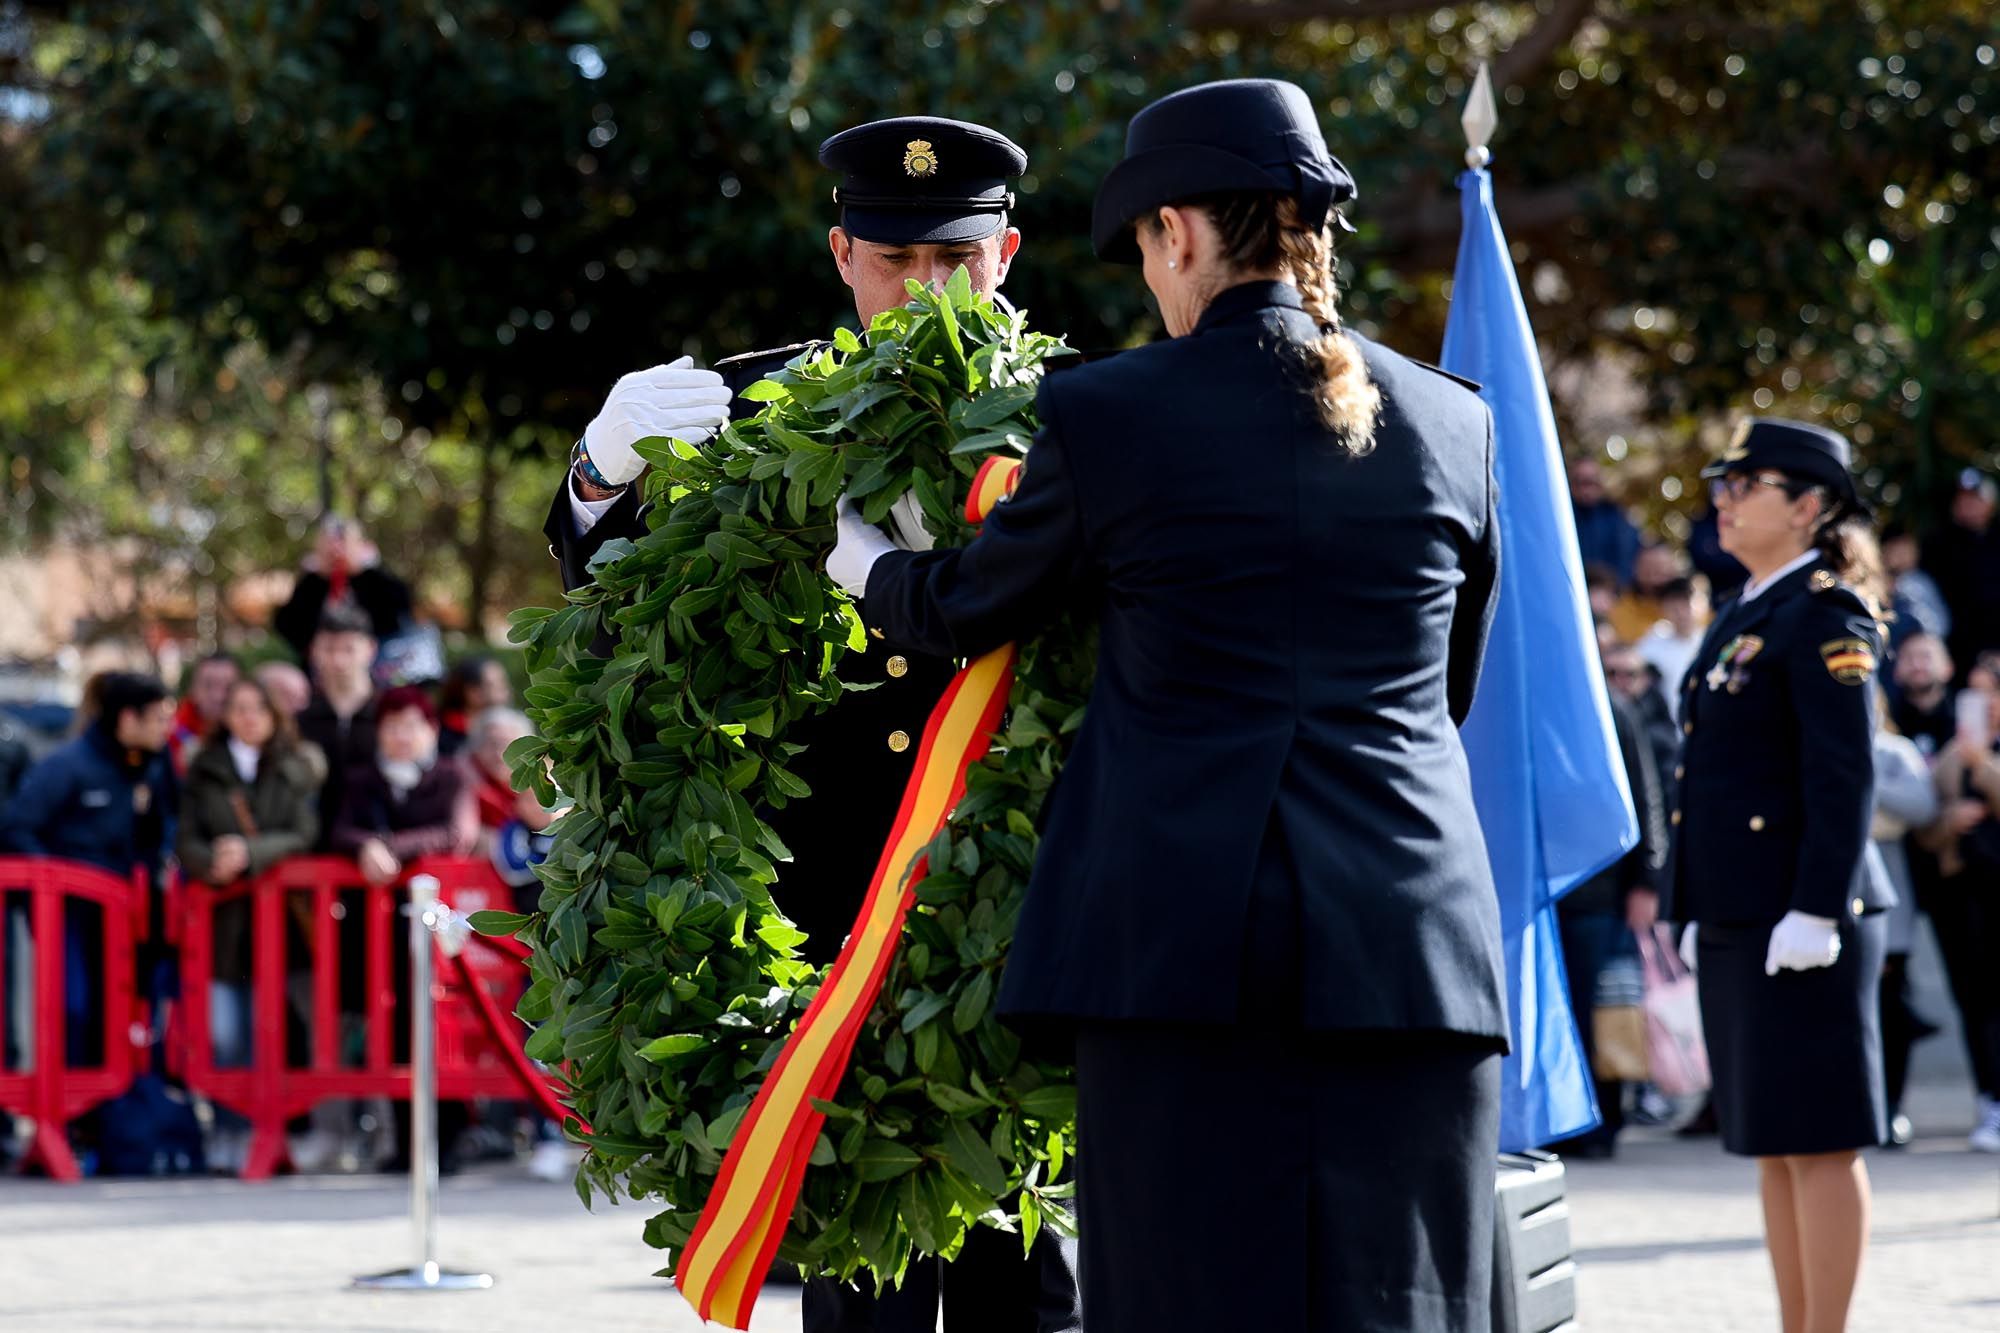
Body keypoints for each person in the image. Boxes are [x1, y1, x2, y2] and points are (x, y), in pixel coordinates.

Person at [835, 78, 1506, 1332]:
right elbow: (1447, 692)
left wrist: (865, 567)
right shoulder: (1454, 423)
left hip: (1181, 967)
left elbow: (979, 601)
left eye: (1144, 245)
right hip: (1409, 956)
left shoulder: (1107, 414)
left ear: (1180, 232)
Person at [544, 115, 1076, 1332]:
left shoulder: (1077, 416)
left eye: (955, 258)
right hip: (829, 881)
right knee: (860, 1273)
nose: (923, 286)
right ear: (843, 253)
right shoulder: (755, 402)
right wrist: (599, 470)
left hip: (1017, 888)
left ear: (1009, 256)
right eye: (896, 259)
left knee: (1035, 1279)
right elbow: (614, 603)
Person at [1665, 417, 1889, 1333]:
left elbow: (1843, 777)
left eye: (1743, 484)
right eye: (1722, 484)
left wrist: (1816, 905)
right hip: (1742, 913)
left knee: (1820, 1143)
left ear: (1807, 506)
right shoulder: (1744, 610)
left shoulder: (1825, 614)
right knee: (1772, 1144)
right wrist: (1695, 898)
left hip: (1803, 916)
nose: (1722, 498)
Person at [0, 672, 178, 1064]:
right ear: (128, 719)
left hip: (129, 912)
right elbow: (17, 827)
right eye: (159, 718)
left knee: (124, 1006)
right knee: (74, 1007)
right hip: (71, 913)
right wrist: (56, 884)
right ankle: (72, 1106)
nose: (167, 729)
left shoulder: (153, 765)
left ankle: (116, 1108)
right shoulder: (69, 765)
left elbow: (166, 825)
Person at [176, 678, 323, 1073]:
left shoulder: (295, 767)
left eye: (259, 708)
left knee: (274, 1025)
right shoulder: (203, 768)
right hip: (221, 915)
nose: (249, 718)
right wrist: (212, 862)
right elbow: (186, 837)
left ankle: (271, 1122)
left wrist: (250, 853)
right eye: (239, 708)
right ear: (225, 716)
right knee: (224, 1031)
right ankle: (229, 1126)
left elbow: (304, 833)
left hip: (278, 915)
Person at [1550, 680, 1668, 1159]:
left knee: (1604, 1012)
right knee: (1565, 1014)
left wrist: (1647, 880)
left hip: (1601, 892)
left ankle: (1603, 1124)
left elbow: (1645, 795)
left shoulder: (1609, 707)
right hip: (1549, 895)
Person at [1920, 678, 2000, 1152]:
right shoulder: (1954, 752)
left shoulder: (1973, 756)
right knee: (1976, 1000)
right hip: (1966, 893)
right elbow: (1925, 824)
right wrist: (1948, 821)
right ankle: (1990, 1098)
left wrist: (1983, 767)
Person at [1869, 715, 1940, 1148]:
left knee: (1891, 1018)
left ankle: (1891, 1107)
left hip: (1888, 911)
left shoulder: (1893, 750)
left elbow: (1919, 806)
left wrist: (1858, 781)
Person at [274, 515, 414, 663]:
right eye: (329, 545)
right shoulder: (311, 584)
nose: (336, 552)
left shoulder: (376, 580)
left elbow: (398, 618)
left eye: (344, 543)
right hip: (323, 663)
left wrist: (359, 571)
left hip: (377, 659)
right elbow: (289, 626)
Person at [297, 604, 381, 849]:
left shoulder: (390, 715)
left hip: (380, 849)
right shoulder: (299, 720)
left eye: (349, 649)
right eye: (329, 649)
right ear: (314, 651)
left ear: (370, 649)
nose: (338, 660)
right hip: (312, 848)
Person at [1925, 470, 2000, 677]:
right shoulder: (1937, 546)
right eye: (1962, 498)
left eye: (1974, 498)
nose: (1967, 504)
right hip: (1960, 663)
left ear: (1990, 504)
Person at [1637, 575, 1706, 720]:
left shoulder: (1713, 641)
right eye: (1674, 607)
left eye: (1686, 604)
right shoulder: (1652, 644)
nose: (1681, 613)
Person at [1570, 454, 1640, 587]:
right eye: (1581, 483)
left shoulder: (1617, 518)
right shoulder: (1564, 520)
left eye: (1592, 483)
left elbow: (1627, 561)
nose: (1587, 490)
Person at [1880, 525, 1949, 652]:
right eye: (1898, 551)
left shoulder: (1920, 582)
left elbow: (1940, 625)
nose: (1906, 556)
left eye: (1910, 549)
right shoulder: (1874, 583)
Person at [169, 653, 240, 776]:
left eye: (228, 687)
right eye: (208, 686)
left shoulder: (257, 733)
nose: (218, 696)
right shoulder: (168, 735)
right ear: (193, 689)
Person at [1610, 542, 1686, 643]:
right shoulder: (1622, 606)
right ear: (1636, 570)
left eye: (1661, 569)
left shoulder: (1692, 604)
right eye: (1648, 570)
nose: (1654, 578)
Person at [437, 656, 512, 757]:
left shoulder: (509, 727)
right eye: (494, 685)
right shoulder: (446, 733)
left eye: (503, 682)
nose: (504, 691)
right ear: (473, 692)